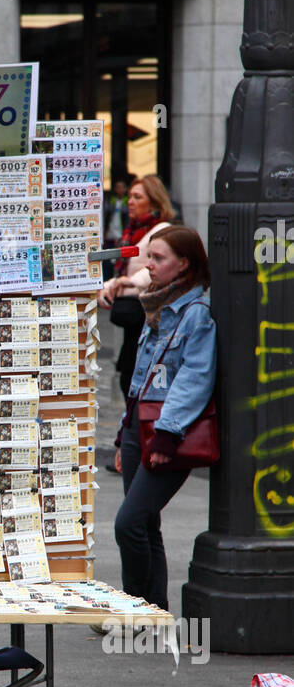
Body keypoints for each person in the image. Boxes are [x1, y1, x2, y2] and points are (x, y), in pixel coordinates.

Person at [112, 227, 216, 611]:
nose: (149, 265)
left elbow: (194, 378)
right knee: (144, 523)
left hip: (166, 431)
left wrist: (168, 435)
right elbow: (141, 379)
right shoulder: (154, 307)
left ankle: (136, 607)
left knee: (129, 523)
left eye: (158, 258)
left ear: (184, 264)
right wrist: (125, 433)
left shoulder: (195, 314)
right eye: (148, 257)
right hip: (140, 426)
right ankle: (153, 610)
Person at [98, 175, 174, 402]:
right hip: (133, 316)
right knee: (127, 375)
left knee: (138, 377)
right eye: (130, 196)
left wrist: (129, 282)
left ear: (154, 201)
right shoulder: (132, 232)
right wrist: (108, 287)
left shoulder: (162, 230)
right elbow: (124, 273)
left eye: (137, 197)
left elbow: (157, 265)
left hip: (150, 316)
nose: (130, 201)